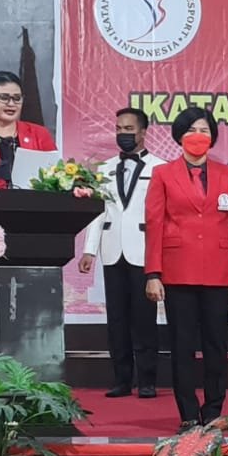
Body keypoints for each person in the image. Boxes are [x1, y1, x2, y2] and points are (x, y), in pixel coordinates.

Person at [144, 107, 228, 428]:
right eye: (191, 130)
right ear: (179, 136)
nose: (197, 136)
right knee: (182, 345)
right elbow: (154, 224)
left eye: (204, 130)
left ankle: (214, 409)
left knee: (217, 344)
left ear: (213, 137)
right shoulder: (163, 174)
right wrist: (153, 274)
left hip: (219, 272)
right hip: (178, 272)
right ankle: (188, 414)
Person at [80, 107, 164, 398]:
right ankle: (122, 379)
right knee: (116, 319)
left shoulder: (160, 167)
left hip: (144, 251)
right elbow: (98, 212)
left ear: (143, 132)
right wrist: (89, 250)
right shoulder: (104, 169)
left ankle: (148, 380)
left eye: (128, 129)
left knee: (144, 319)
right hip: (111, 249)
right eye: (118, 129)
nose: (122, 134)